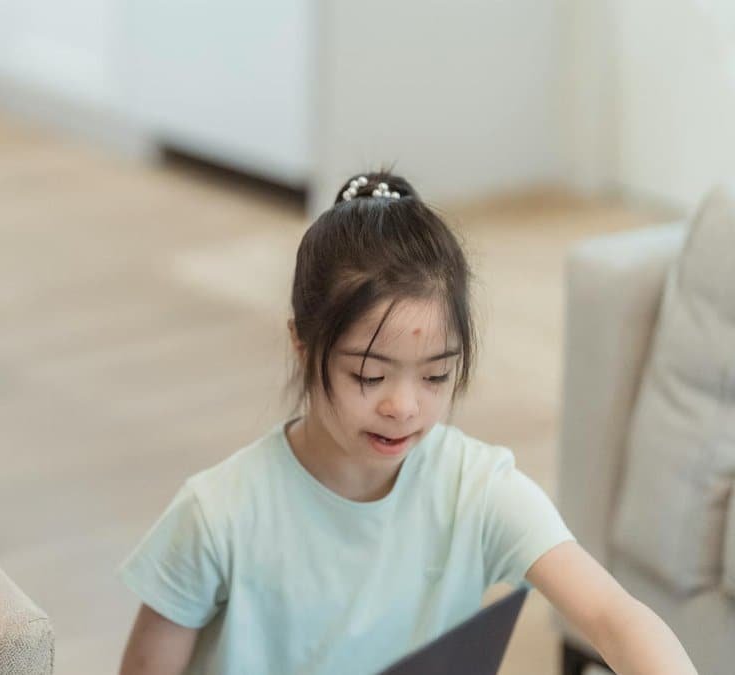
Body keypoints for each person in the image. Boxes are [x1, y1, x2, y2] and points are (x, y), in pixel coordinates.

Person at [118, 172, 697, 674]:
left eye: (436, 377)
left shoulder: (475, 489)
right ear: (302, 344)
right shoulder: (218, 517)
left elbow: (610, 615)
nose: (404, 406)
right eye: (370, 377)